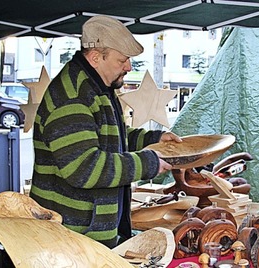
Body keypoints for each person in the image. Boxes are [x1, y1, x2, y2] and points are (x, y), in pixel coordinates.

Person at [29, 15, 181, 248]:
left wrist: (153, 139)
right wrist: (147, 163)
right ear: (96, 57)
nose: (128, 67)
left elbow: (110, 139)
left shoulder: (98, 87)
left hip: (88, 234)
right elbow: (84, 168)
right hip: (70, 240)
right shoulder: (72, 96)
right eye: (122, 60)